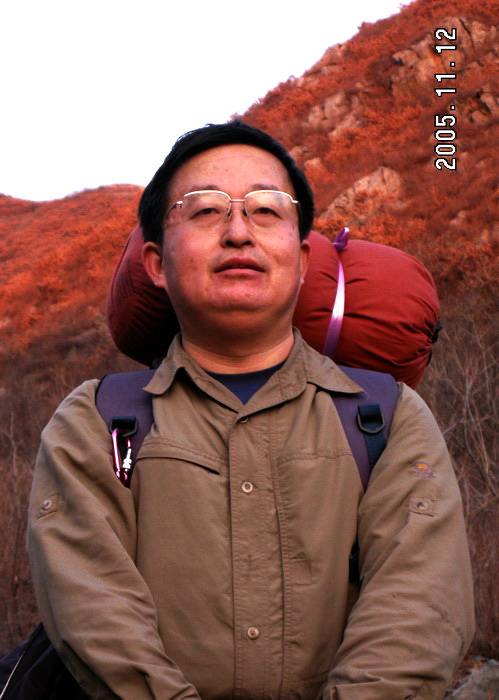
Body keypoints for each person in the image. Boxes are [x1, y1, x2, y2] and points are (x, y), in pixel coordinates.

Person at [27, 121, 474, 699]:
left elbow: (418, 610)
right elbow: (95, 615)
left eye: (265, 210)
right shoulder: (97, 420)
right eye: (205, 210)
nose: (238, 232)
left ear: (304, 259)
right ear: (157, 264)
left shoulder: (388, 419)